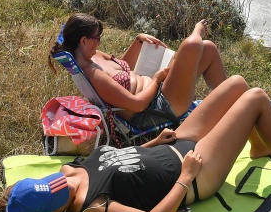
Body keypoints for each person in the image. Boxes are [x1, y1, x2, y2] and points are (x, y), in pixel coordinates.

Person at [0, 76, 271, 212]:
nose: (61, 186)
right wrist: (186, 179)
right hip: (197, 171)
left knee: (237, 84)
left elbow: (120, 159)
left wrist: (153, 143)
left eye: (51, 184)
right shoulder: (91, 208)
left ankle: (258, 146)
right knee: (255, 97)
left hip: (171, 145)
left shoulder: (68, 171)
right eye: (56, 196)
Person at [49, 13, 226, 128]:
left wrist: (138, 42)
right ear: (83, 40)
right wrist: (156, 79)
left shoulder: (93, 55)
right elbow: (137, 104)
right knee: (192, 45)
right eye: (97, 38)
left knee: (208, 49)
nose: (100, 42)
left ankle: (232, 102)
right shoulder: (93, 75)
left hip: (158, 94)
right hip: (156, 110)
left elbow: (121, 68)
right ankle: (198, 31)